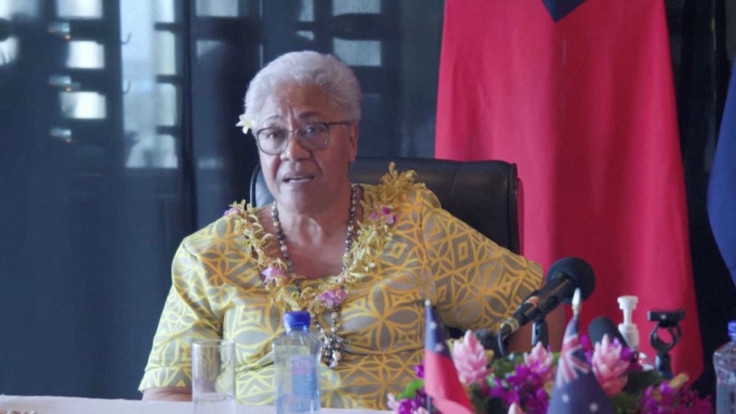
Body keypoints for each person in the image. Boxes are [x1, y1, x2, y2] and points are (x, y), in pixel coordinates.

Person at [139, 50, 555, 409]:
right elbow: (167, 395)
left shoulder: (413, 226)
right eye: (273, 134)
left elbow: (542, 314)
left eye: (313, 130)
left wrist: (510, 400)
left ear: (352, 139)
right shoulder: (209, 255)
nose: (293, 152)